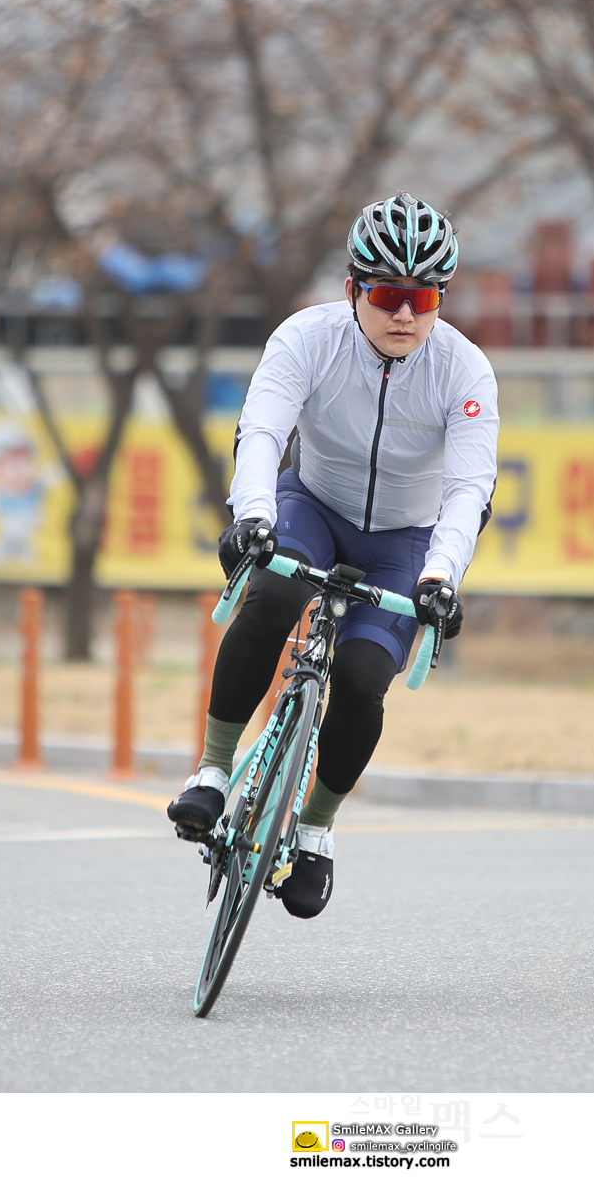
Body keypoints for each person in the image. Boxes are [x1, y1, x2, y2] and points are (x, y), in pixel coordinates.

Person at [166, 193, 496, 917]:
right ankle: (214, 771)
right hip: (312, 506)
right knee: (273, 595)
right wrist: (253, 518)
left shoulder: (464, 371)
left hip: (405, 542)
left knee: (362, 674)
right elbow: (261, 431)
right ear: (352, 291)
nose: (405, 314)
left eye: (423, 298)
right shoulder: (307, 338)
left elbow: (470, 489)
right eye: (386, 295)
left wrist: (441, 576)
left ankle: (315, 828)